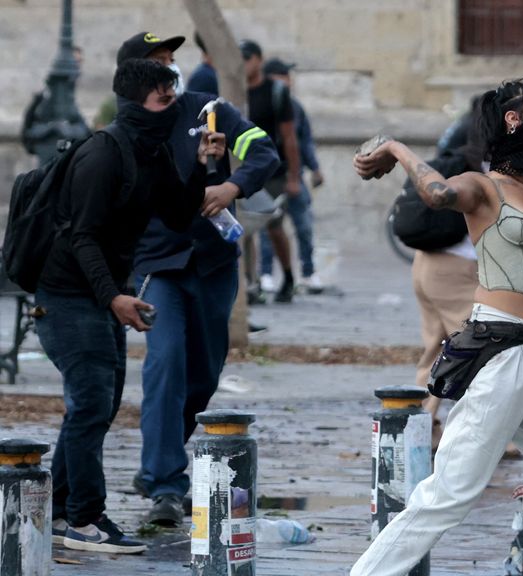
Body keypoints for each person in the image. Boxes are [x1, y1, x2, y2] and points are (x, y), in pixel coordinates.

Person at [351, 77, 523, 576]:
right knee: (450, 494)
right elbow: (438, 194)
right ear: (514, 118)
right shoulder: (484, 187)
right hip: (500, 350)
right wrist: (395, 146)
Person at [37, 58, 208, 553]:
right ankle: (85, 518)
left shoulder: (149, 151)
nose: (171, 108)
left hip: (103, 295)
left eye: (173, 99)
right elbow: (81, 235)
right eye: (162, 100)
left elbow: (178, 215)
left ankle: (60, 510)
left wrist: (201, 165)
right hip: (67, 295)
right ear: (137, 103)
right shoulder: (103, 154)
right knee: (91, 403)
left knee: (99, 404)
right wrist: (112, 296)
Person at [118, 31, 281, 526]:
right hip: (159, 267)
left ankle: (158, 460)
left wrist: (233, 183)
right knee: (164, 366)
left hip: (212, 264)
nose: (168, 72)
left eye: (171, 62)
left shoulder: (209, 109)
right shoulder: (125, 129)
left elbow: (265, 152)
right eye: (156, 64)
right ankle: (165, 483)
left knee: (203, 376)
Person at [405, 100, 483, 448]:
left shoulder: (456, 141)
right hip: (454, 266)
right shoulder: (483, 162)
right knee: (480, 352)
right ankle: (489, 433)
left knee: (436, 350)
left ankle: (422, 428)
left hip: (426, 262)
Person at [240, 39, 302, 303]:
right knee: (244, 230)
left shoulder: (275, 92)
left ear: (259, 60)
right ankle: (251, 285)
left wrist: (294, 177)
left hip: (274, 169)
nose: (243, 64)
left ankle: (287, 276)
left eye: (247, 58)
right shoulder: (234, 89)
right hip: (245, 170)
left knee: (275, 227)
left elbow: (289, 137)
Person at [258, 57, 326, 295]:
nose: (288, 81)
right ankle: (265, 273)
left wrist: (313, 169)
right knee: (268, 228)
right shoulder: (261, 103)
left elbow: (303, 141)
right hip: (269, 177)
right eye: (283, 75)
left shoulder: (295, 107)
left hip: (292, 174)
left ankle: (308, 272)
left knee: (304, 226)